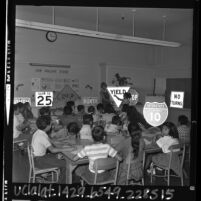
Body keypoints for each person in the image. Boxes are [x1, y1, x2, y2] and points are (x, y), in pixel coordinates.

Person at [31, 115, 69, 183]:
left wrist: (62, 141)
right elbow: (52, 150)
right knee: (66, 164)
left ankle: (45, 177)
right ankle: (62, 182)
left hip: (37, 158)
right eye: (51, 124)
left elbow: (50, 141)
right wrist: (66, 149)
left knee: (60, 156)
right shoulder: (41, 136)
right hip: (39, 160)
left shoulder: (39, 132)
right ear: (48, 126)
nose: (51, 126)